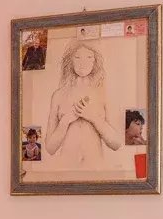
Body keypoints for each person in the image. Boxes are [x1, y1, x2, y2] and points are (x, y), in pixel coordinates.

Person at [43, 41, 121, 169]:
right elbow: (50, 148)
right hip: (66, 169)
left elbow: (116, 144)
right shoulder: (58, 95)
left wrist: (93, 118)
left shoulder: (103, 94)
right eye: (77, 57)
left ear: (95, 61)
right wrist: (65, 121)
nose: (83, 63)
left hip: (95, 169)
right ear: (70, 61)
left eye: (89, 57)